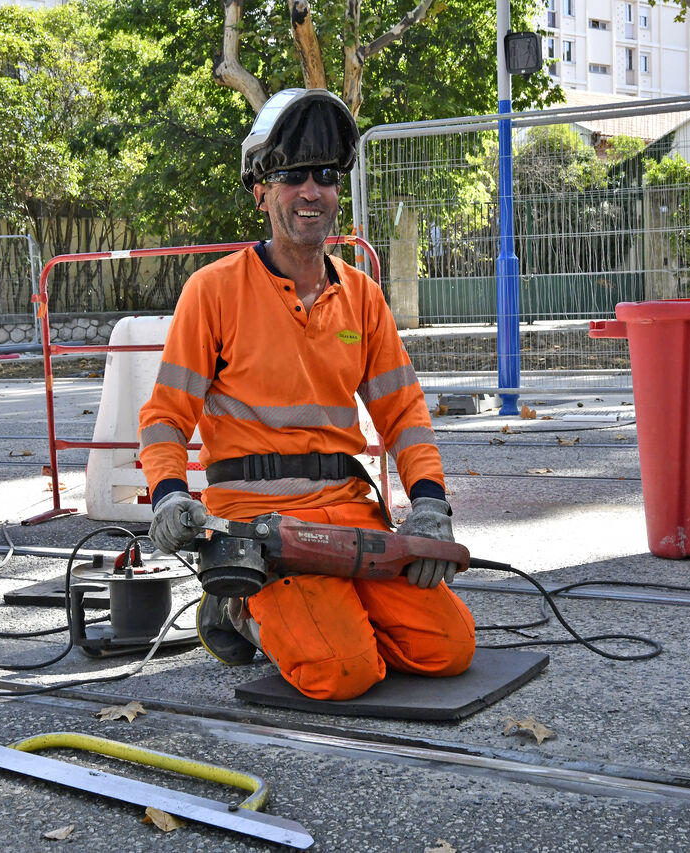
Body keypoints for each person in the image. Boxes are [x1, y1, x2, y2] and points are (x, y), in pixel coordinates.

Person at [138, 88, 475, 701]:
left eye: (325, 175)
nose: (310, 191)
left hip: (349, 511)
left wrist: (429, 506)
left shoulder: (363, 297)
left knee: (449, 651)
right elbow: (165, 415)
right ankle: (236, 607)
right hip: (256, 523)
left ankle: (317, 612)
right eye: (291, 176)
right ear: (261, 190)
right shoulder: (213, 291)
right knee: (341, 673)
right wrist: (166, 495)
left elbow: (404, 415)